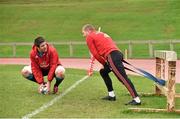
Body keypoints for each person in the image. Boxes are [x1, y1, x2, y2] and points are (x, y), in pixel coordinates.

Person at [82, 24, 141, 105]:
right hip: (116, 54)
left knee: (122, 78)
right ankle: (111, 95)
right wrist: (106, 63)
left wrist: (104, 63)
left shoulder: (89, 37)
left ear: (88, 31)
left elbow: (95, 54)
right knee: (103, 72)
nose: (83, 35)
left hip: (112, 56)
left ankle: (136, 99)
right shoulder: (101, 33)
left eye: (84, 33)